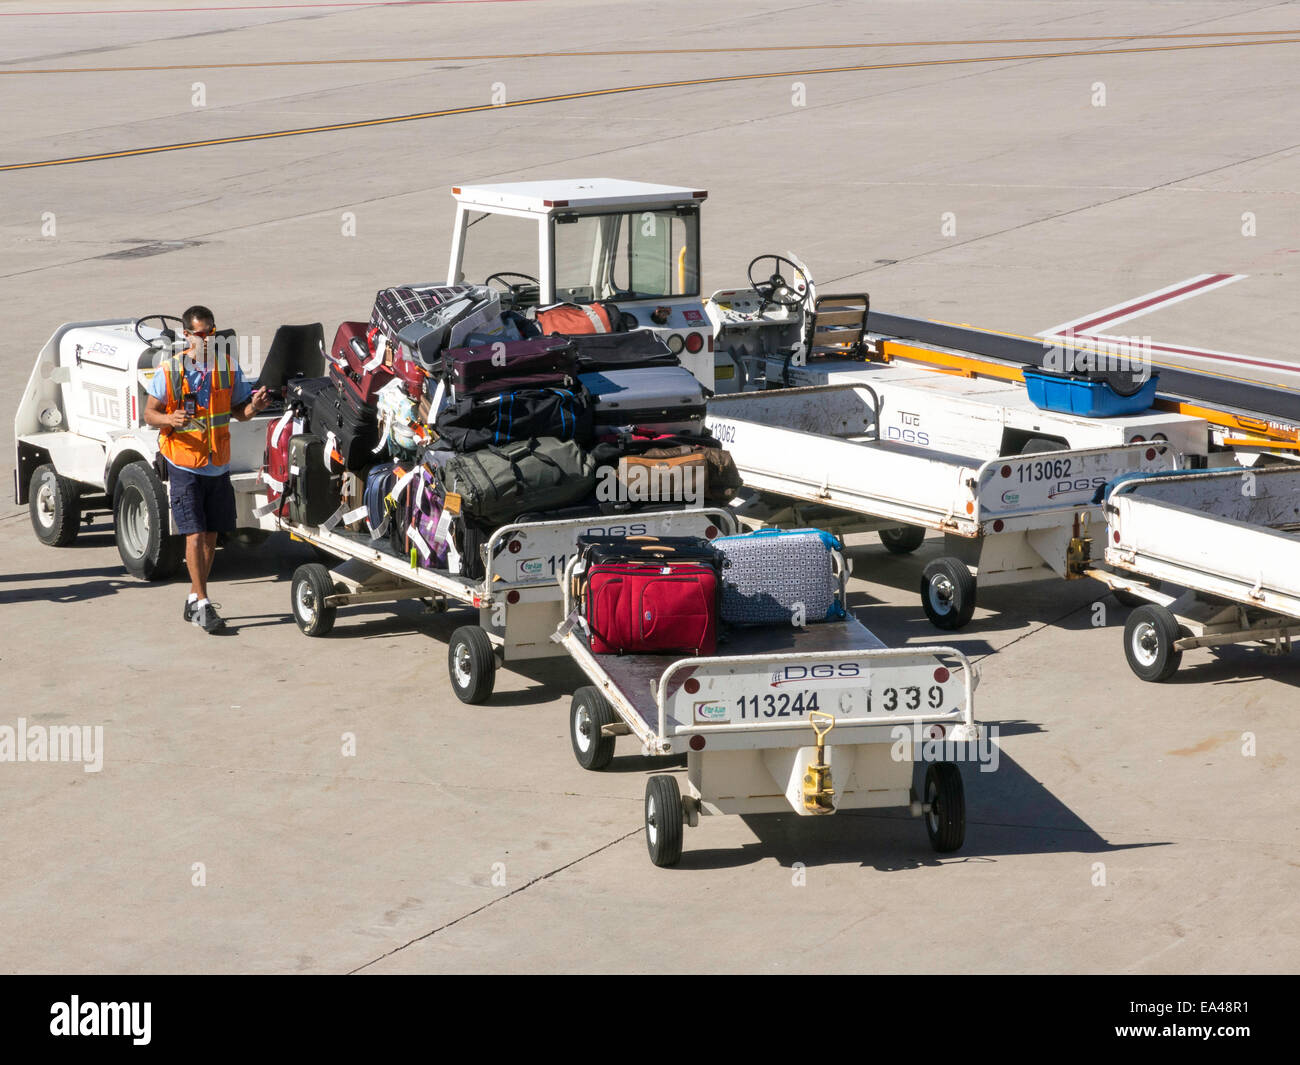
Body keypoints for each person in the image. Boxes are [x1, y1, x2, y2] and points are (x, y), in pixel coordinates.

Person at [143, 305, 270, 633]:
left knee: (212, 536)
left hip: (217, 464)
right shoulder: (170, 370)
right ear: (187, 335)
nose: (206, 339)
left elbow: (239, 413)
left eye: (211, 332)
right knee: (195, 533)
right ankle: (203, 603)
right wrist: (169, 419)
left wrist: (254, 406)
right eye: (200, 333)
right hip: (184, 462)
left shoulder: (227, 367)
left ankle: (193, 598)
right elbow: (149, 413)